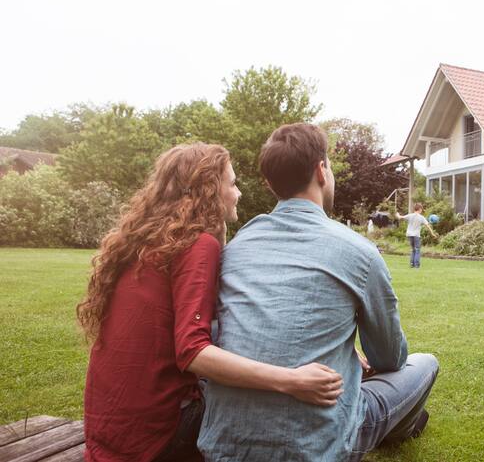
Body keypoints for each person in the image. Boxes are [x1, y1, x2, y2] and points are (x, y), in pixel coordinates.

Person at [79, 143, 344, 462]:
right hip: (156, 439)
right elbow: (193, 353)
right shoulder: (196, 245)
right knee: (260, 406)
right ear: (209, 191)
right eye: (232, 184)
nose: (239, 193)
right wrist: (292, 381)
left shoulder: (147, 241)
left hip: (109, 432)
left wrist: (219, 233)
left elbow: (224, 309)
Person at [199, 123, 439, 461]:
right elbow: (389, 358)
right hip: (316, 446)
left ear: (270, 184)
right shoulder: (358, 251)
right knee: (424, 364)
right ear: (321, 171)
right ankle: (401, 426)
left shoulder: (238, 247)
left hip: (224, 444)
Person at [395, 203, 438, 268]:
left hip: (409, 234)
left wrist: (397, 214)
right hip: (416, 235)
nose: (422, 210)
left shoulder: (410, 215)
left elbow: (400, 217)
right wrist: (432, 234)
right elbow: (428, 226)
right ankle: (417, 265)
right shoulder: (421, 217)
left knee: (413, 249)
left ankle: (412, 264)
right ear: (420, 209)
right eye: (421, 209)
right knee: (417, 249)